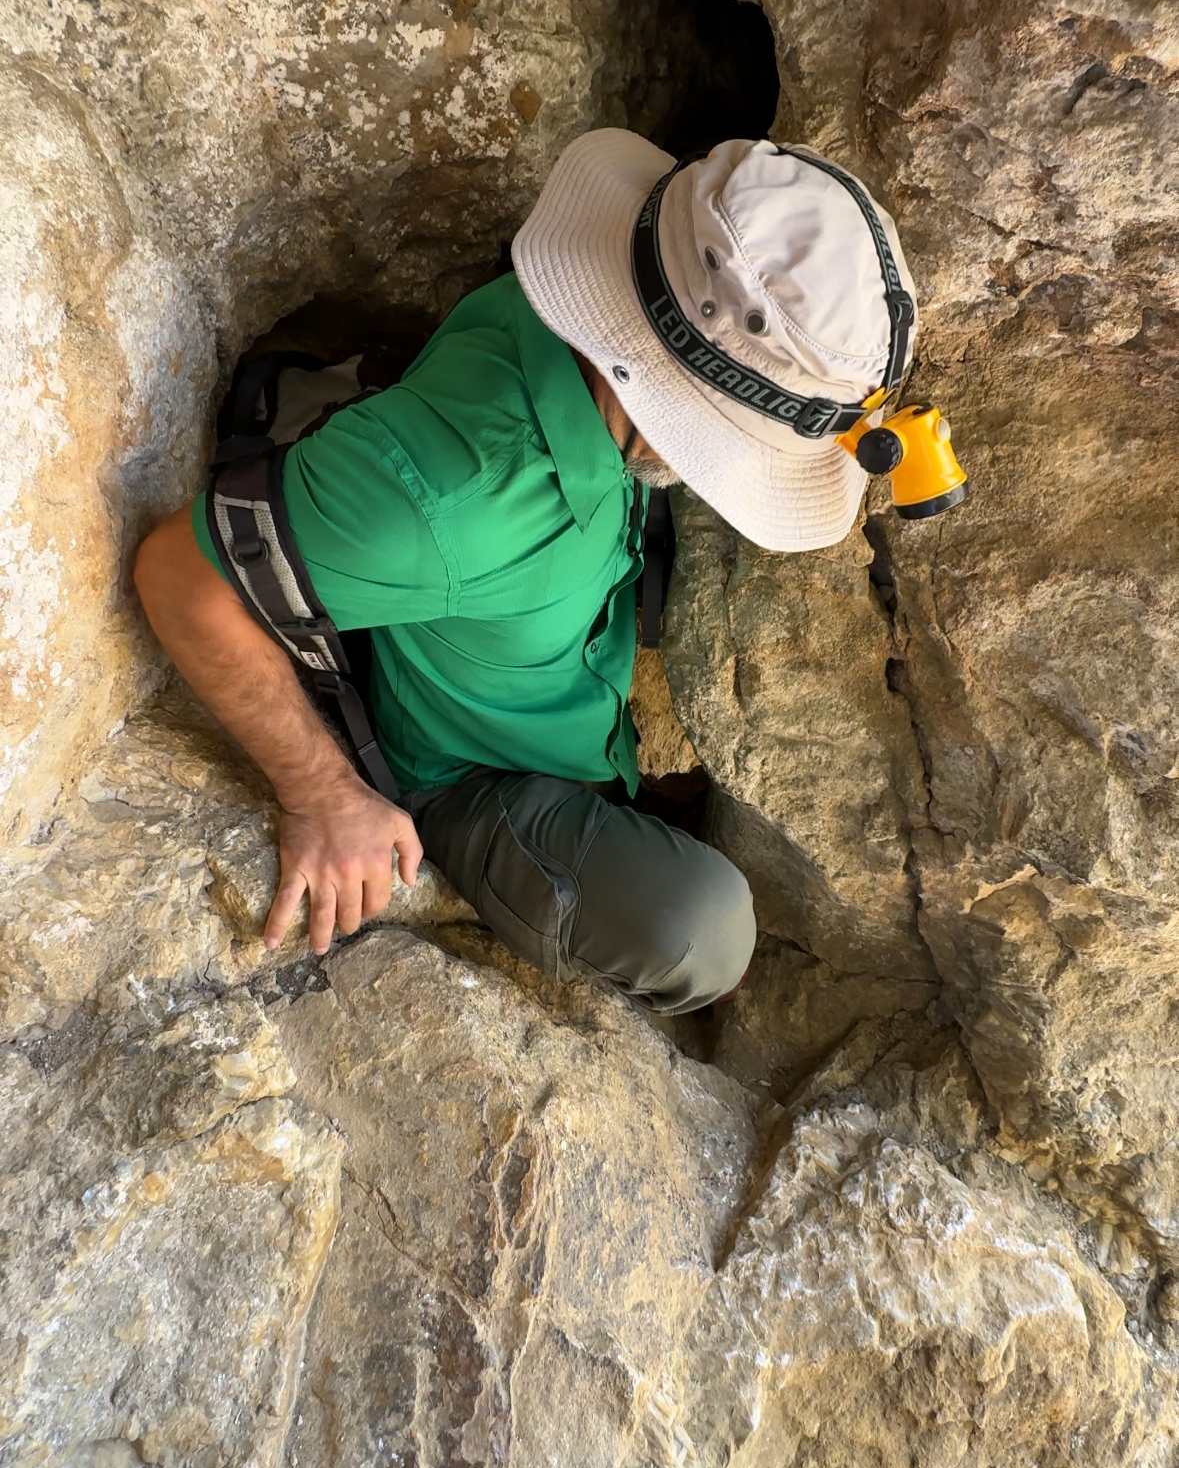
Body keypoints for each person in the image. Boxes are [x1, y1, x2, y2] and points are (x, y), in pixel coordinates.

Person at [134, 132, 917, 1013]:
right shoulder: (452, 503)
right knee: (701, 932)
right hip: (468, 770)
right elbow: (178, 572)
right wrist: (321, 791)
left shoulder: (598, 293)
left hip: (541, 629)